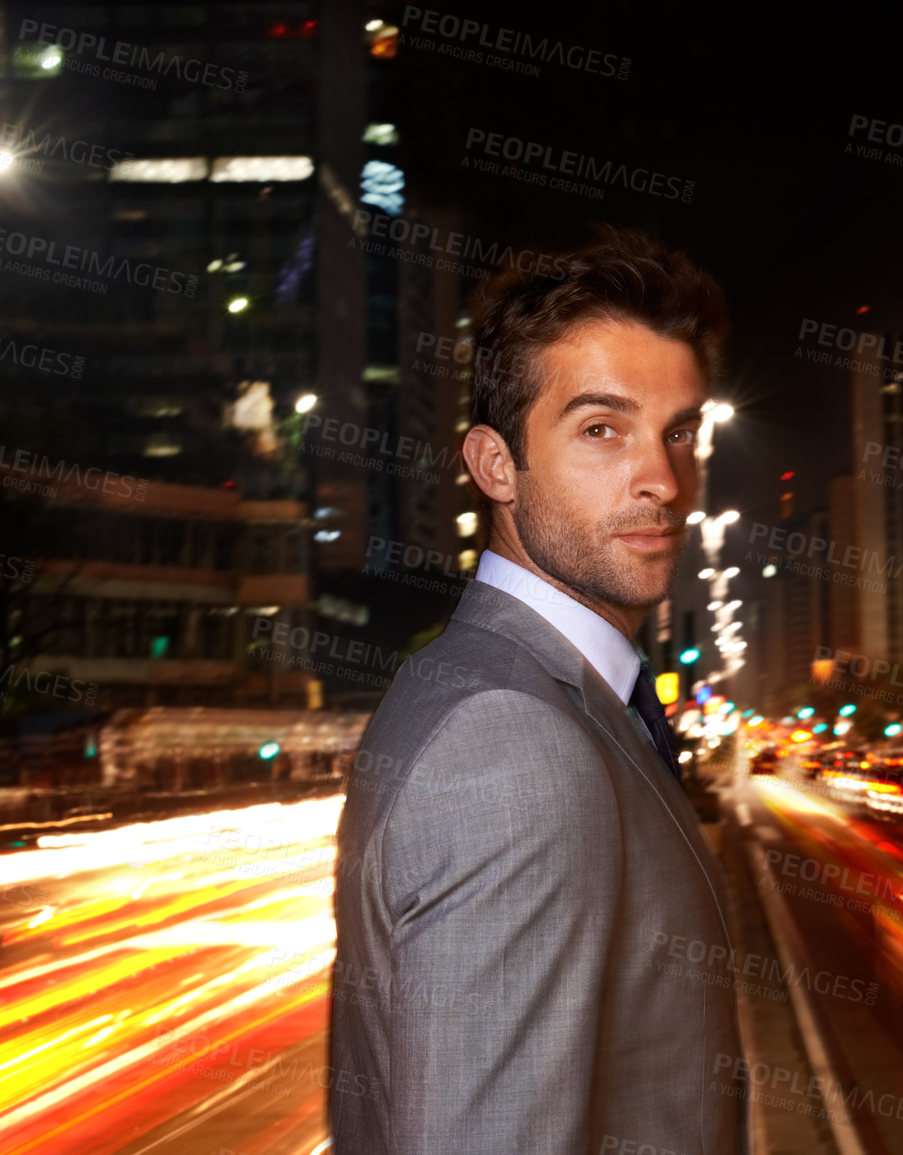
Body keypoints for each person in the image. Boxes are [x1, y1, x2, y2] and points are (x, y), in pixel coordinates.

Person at [329, 227, 744, 1154]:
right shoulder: (511, 740)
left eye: (679, 431)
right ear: (493, 466)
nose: (663, 479)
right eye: (602, 429)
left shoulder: (501, 684)